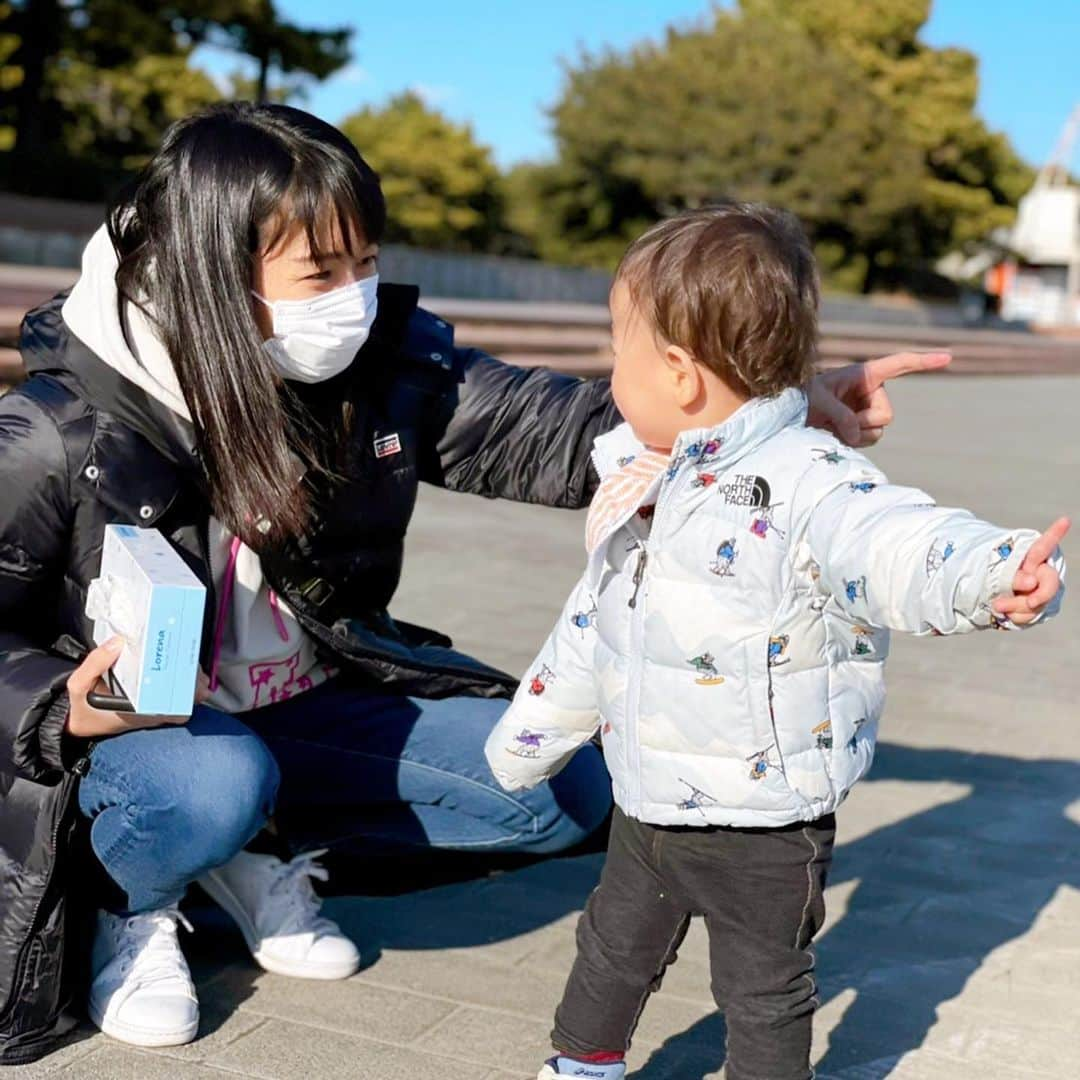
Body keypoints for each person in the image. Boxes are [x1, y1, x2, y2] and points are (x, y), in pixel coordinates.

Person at [0, 102, 940, 1064]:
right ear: (209, 272)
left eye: (366, 262)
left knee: (564, 788)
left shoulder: (376, 366)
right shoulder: (58, 431)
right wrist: (55, 706)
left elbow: (543, 428)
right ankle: (135, 902)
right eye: (320, 273)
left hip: (303, 701)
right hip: (144, 739)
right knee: (211, 782)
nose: (354, 298)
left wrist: (766, 412)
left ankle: (253, 847)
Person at [483, 203, 1068, 1080]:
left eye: (618, 350)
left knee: (763, 987)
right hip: (647, 797)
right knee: (611, 947)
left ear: (679, 374)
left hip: (768, 820)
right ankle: (583, 1064)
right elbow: (598, 625)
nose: (610, 377)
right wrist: (524, 743)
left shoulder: (810, 479)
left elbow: (899, 541)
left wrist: (994, 570)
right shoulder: (651, 482)